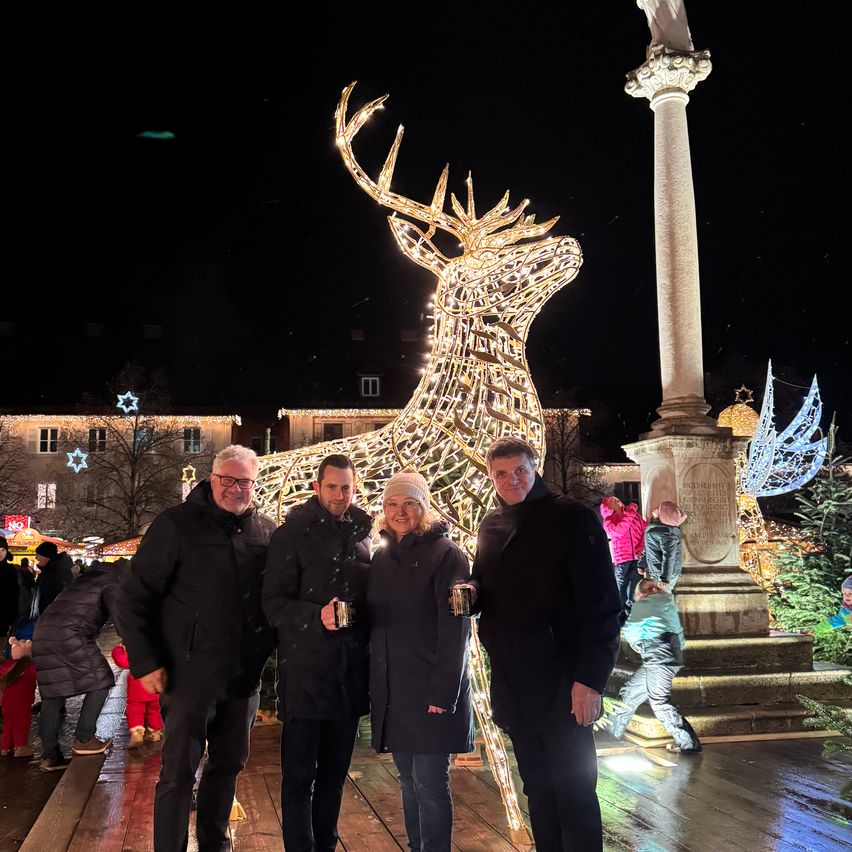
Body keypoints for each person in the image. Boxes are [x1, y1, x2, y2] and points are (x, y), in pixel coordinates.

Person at [459, 436, 621, 852]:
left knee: (574, 793)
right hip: (515, 683)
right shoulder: (492, 525)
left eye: (520, 471)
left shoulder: (572, 518)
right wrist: (472, 592)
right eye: (501, 474)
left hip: (563, 681)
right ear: (491, 478)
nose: (511, 480)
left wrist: (590, 680)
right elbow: (485, 581)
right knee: (538, 790)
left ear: (535, 470)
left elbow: (603, 605)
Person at [119, 445, 276, 851]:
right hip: (188, 673)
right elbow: (133, 597)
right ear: (212, 478)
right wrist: (146, 661)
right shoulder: (176, 525)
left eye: (245, 482)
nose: (236, 488)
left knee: (228, 766)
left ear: (254, 485)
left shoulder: (265, 531)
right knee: (178, 772)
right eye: (228, 479)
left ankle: (214, 844)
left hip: (242, 676)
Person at [262, 453, 372, 852]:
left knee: (334, 777)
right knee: (298, 778)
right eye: (332, 487)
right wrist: (316, 616)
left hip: (348, 679)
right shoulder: (291, 535)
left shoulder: (363, 537)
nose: (340, 495)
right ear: (316, 488)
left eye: (346, 488)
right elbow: (273, 603)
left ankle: (325, 844)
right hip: (305, 677)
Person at [367, 470, 473, 852]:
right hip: (396, 692)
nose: (400, 512)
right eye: (392, 504)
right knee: (408, 781)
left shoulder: (446, 554)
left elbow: (456, 628)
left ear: (423, 508)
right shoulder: (382, 558)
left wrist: (443, 693)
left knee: (430, 782)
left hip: (431, 691)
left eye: (409, 503)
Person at [31, 558, 129, 771]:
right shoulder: (112, 581)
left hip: (42, 633)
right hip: (70, 635)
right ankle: (85, 738)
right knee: (101, 679)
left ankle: (50, 756)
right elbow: (121, 616)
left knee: (53, 695)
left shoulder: (85, 579)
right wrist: (131, 639)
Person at [603, 578, 701, 754]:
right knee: (631, 691)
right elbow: (679, 634)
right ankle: (612, 732)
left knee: (659, 701)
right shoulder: (667, 602)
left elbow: (631, 631)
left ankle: (688, 743)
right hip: (667, 656)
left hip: (657, 658)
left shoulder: (644, 603)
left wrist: (638, 646)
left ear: (639, 593)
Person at [111, 641, 164, 748]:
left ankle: (137, 733)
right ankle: (155, 733)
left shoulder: (134, 649)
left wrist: (118, 648)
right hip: (155, 687)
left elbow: (122, 661)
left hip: (137, 688)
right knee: (154, 710)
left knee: (135, 710)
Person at [599, 497, 646, 614]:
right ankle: (617, 617)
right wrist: (631, 513)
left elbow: (645, 530)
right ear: (607, 507)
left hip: (637, 558)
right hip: (622, 560)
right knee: (620, 591)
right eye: (612, 501)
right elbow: (620, 530)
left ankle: (631, 615)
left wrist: (641, 548)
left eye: (616, 499)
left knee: (635, 590)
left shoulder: (633, 515)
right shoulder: (608, 520)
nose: (616, 501)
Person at [0, 636, 37, 758]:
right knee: (21, 724)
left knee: (8, 724)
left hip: (6, 702)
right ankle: (20, 747)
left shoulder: (5, 666)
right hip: (22, 702)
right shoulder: (30, 668)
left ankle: (5, 747)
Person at [641, 501, 687, 592]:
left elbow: (669, 556)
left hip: (664, 575)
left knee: (662, 599)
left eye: (659, 509)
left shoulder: (666, 533)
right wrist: (642, 563)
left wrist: (665, 578)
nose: (656, 509)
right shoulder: (659, 528)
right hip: (658, 572)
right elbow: (649, 547)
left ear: (663, 516)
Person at [33, 540, 74, 615]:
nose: (36, 558)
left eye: (38, 555)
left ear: (46, 556)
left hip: (52, 617)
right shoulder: (47, 572)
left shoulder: (57, 574)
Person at [0, 537, 19, 638]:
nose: (0, 553)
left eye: (3, 550)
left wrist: (13, 615)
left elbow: (14, 594)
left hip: (5, 616)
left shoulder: (11, 570)